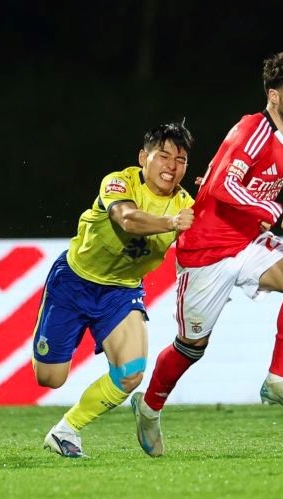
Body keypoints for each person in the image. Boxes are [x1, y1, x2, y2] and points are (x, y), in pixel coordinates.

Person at [130, 50, 283, 457]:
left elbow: (236, 179)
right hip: (206, 250)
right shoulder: (253, 128)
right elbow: (220, 188)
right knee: (190, 348)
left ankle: (276, 380)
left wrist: (262, 213)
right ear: (274, 95)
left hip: (247, 241)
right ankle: (148, 407)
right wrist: (277, 212)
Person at [32, 121, 195, 458]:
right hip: (74, 281)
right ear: (143, 158)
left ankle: (66, 430)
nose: (171, 166)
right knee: (49, 378)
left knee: (132, 373)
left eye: (180, 160)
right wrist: (171, 223)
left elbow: (215, 237)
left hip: (120, 292)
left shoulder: (186, 204)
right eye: (163, 156)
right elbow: (128, 220)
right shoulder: (119, 181)